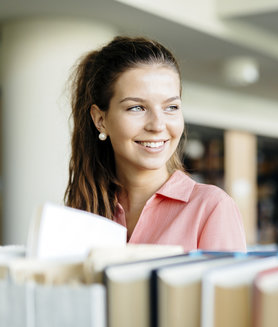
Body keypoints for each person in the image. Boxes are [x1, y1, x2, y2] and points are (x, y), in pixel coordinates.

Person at [64, 36, 246, 252]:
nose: (158, 125)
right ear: (100, 120)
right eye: (136, 108)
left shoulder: (211, 208)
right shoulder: (82, 214)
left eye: (171, 107)